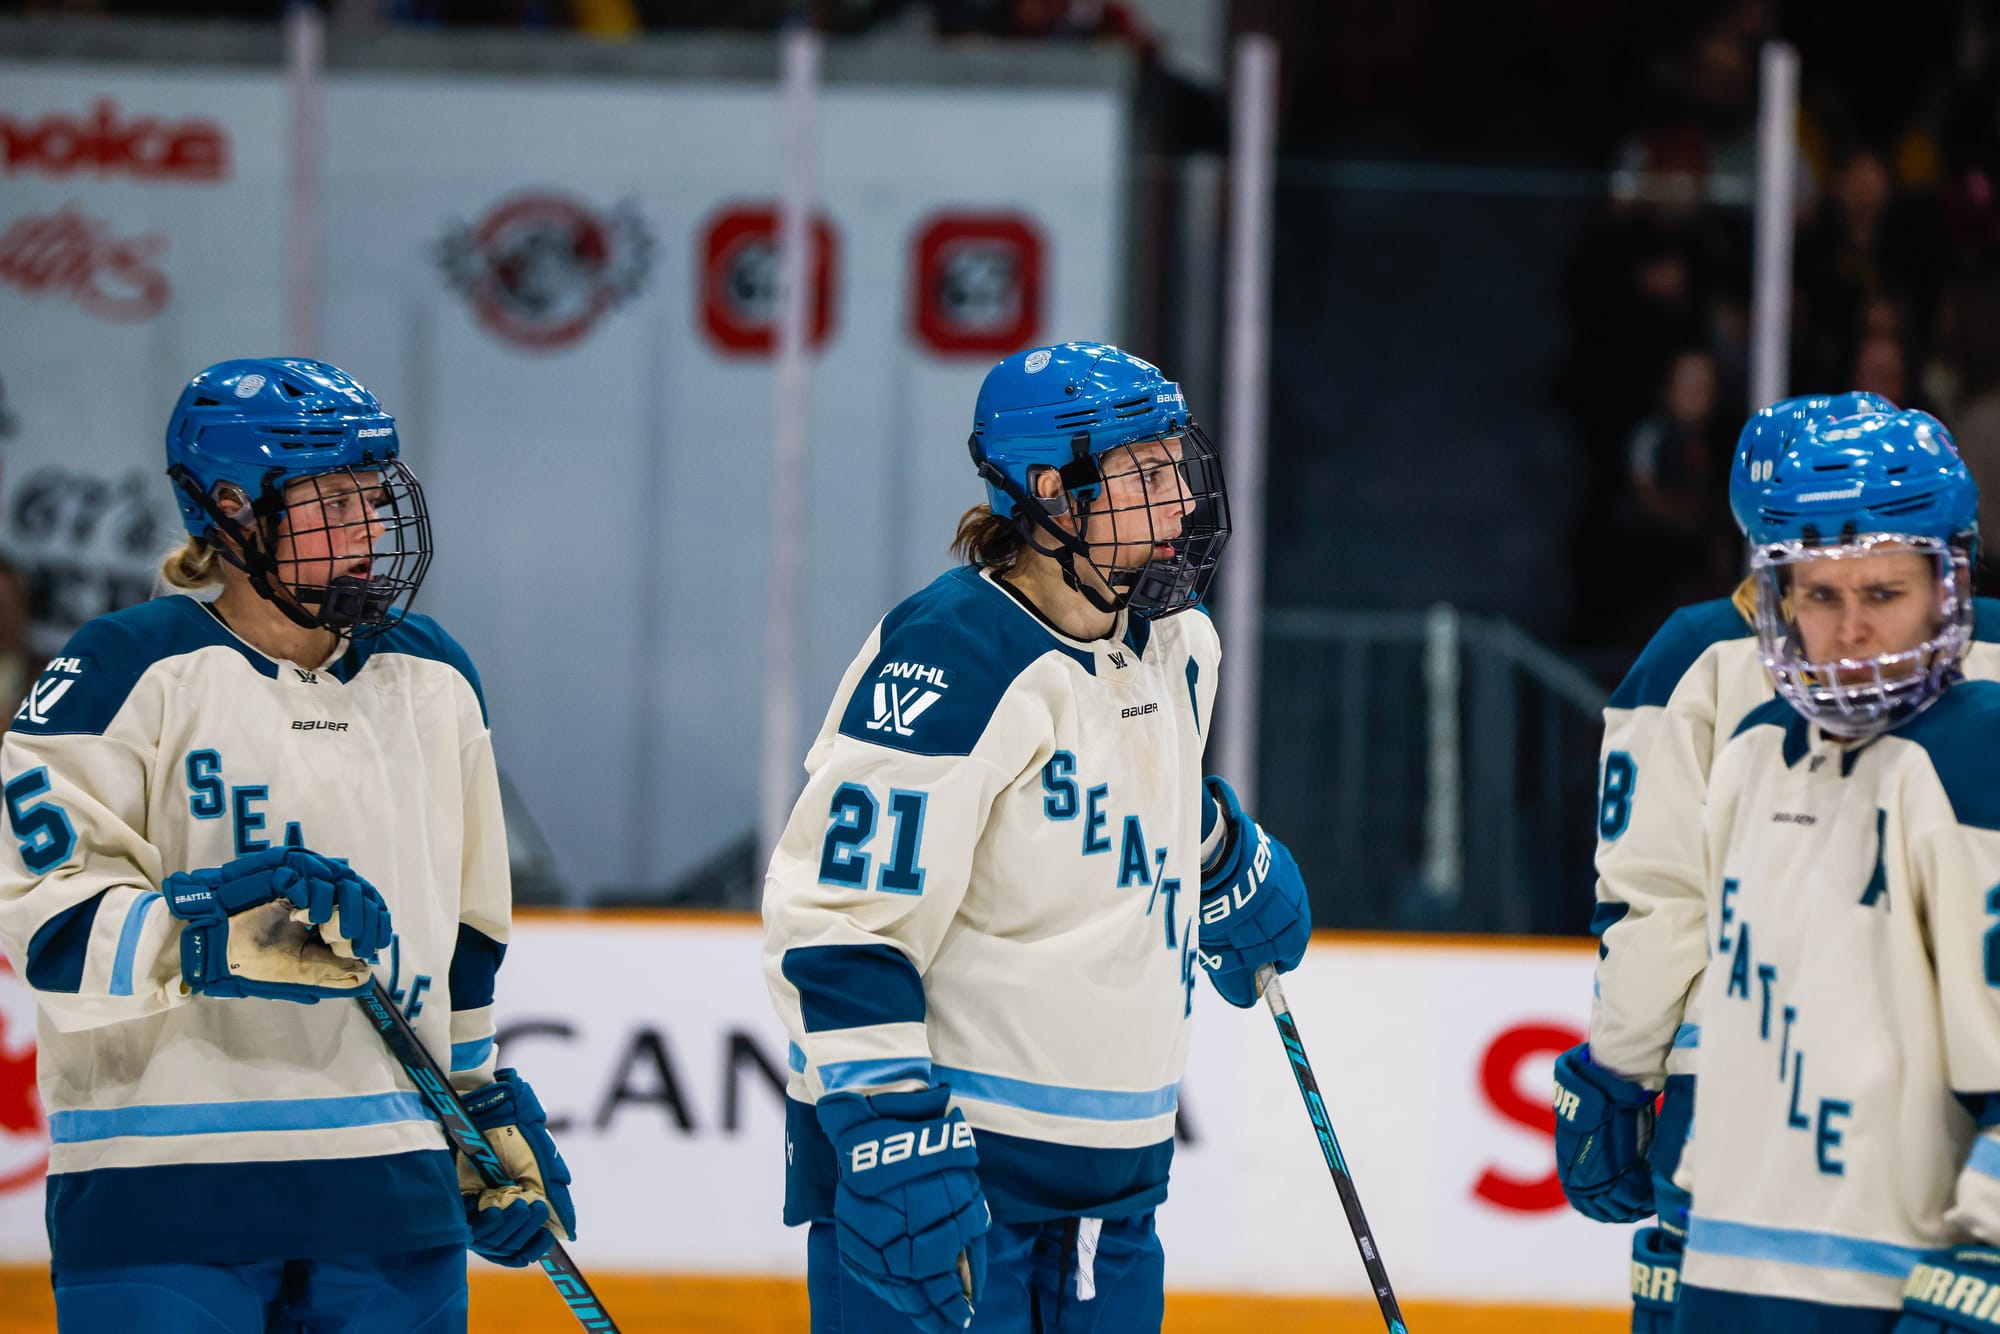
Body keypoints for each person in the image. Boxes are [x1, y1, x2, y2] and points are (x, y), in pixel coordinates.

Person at [0, 358, 575, 1333]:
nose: (367, 530)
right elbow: (43, 921)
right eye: (331, 502)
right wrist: (211, 934)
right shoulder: (121, 670)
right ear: (232, 507)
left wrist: (476, 1101)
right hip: (167, 1199)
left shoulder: (433, 675)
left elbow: (468, 928)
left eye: (374, 496)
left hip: (393, 1200)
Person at [762, 341, 1313, 1333]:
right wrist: (884, 1124)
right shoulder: (955, 652)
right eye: (1146, 474)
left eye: (1177, 464)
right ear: (1055, 492)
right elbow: (840, 921)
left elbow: (1139, 790)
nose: (1182, 498)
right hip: (951, 1191)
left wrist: (1220, 852)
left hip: (1114, 1203)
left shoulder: (1176, 640)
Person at [1552, 392, 2000, 1333]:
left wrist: (1620, 1070)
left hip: (1758, 1109)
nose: (1853, 629)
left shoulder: (1701, 657)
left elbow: (1657, 905)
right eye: (1823, 593)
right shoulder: (1767, 735)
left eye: (1884, 591)